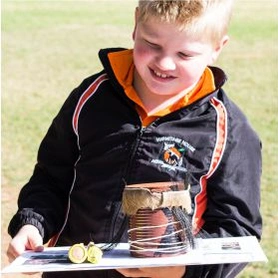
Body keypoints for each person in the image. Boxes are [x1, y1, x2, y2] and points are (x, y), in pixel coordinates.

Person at [7, 0, 262, 277]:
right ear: (136, 23)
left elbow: (237, 229)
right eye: (152, 44)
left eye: (185, 54)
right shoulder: (91, 97)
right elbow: (51, 178)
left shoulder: (228, 128)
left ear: (217, 48)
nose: (165, 63)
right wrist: (32, 223)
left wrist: (179, 270)